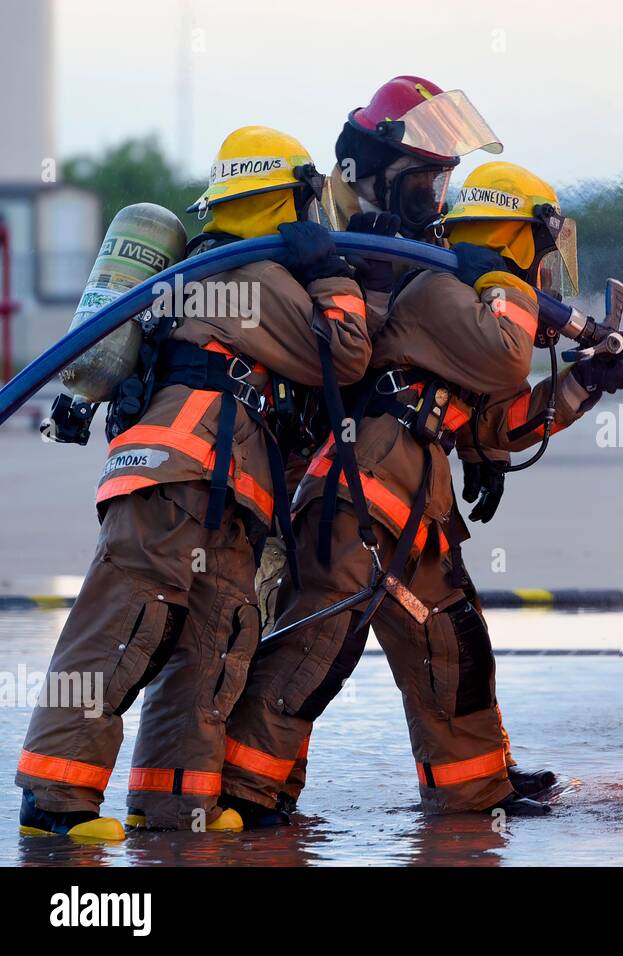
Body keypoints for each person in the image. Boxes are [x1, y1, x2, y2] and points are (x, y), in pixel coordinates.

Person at [221, 159, 623, 821]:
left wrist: (589, 382)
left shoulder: (480, 300)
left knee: (453, 646)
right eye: (542, 245)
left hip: (414, 509)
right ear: (517, 236)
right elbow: (507, 355)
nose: (547, 264)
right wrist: (502, 285)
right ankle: (242, 794)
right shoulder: (438, 287)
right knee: (317, 648)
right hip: (362, 496)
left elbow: (496, 429)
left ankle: (474, 790)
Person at [15, 126, 371, 838]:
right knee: (121, 630)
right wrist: (330, 273)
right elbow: (347, 354)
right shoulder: (253, 279)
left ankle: (176, 805)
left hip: (224, 492)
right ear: (287, 200)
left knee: (214, 646)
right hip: (176, 478)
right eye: (306, 201)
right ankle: (52, 804)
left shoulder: (214, 274)